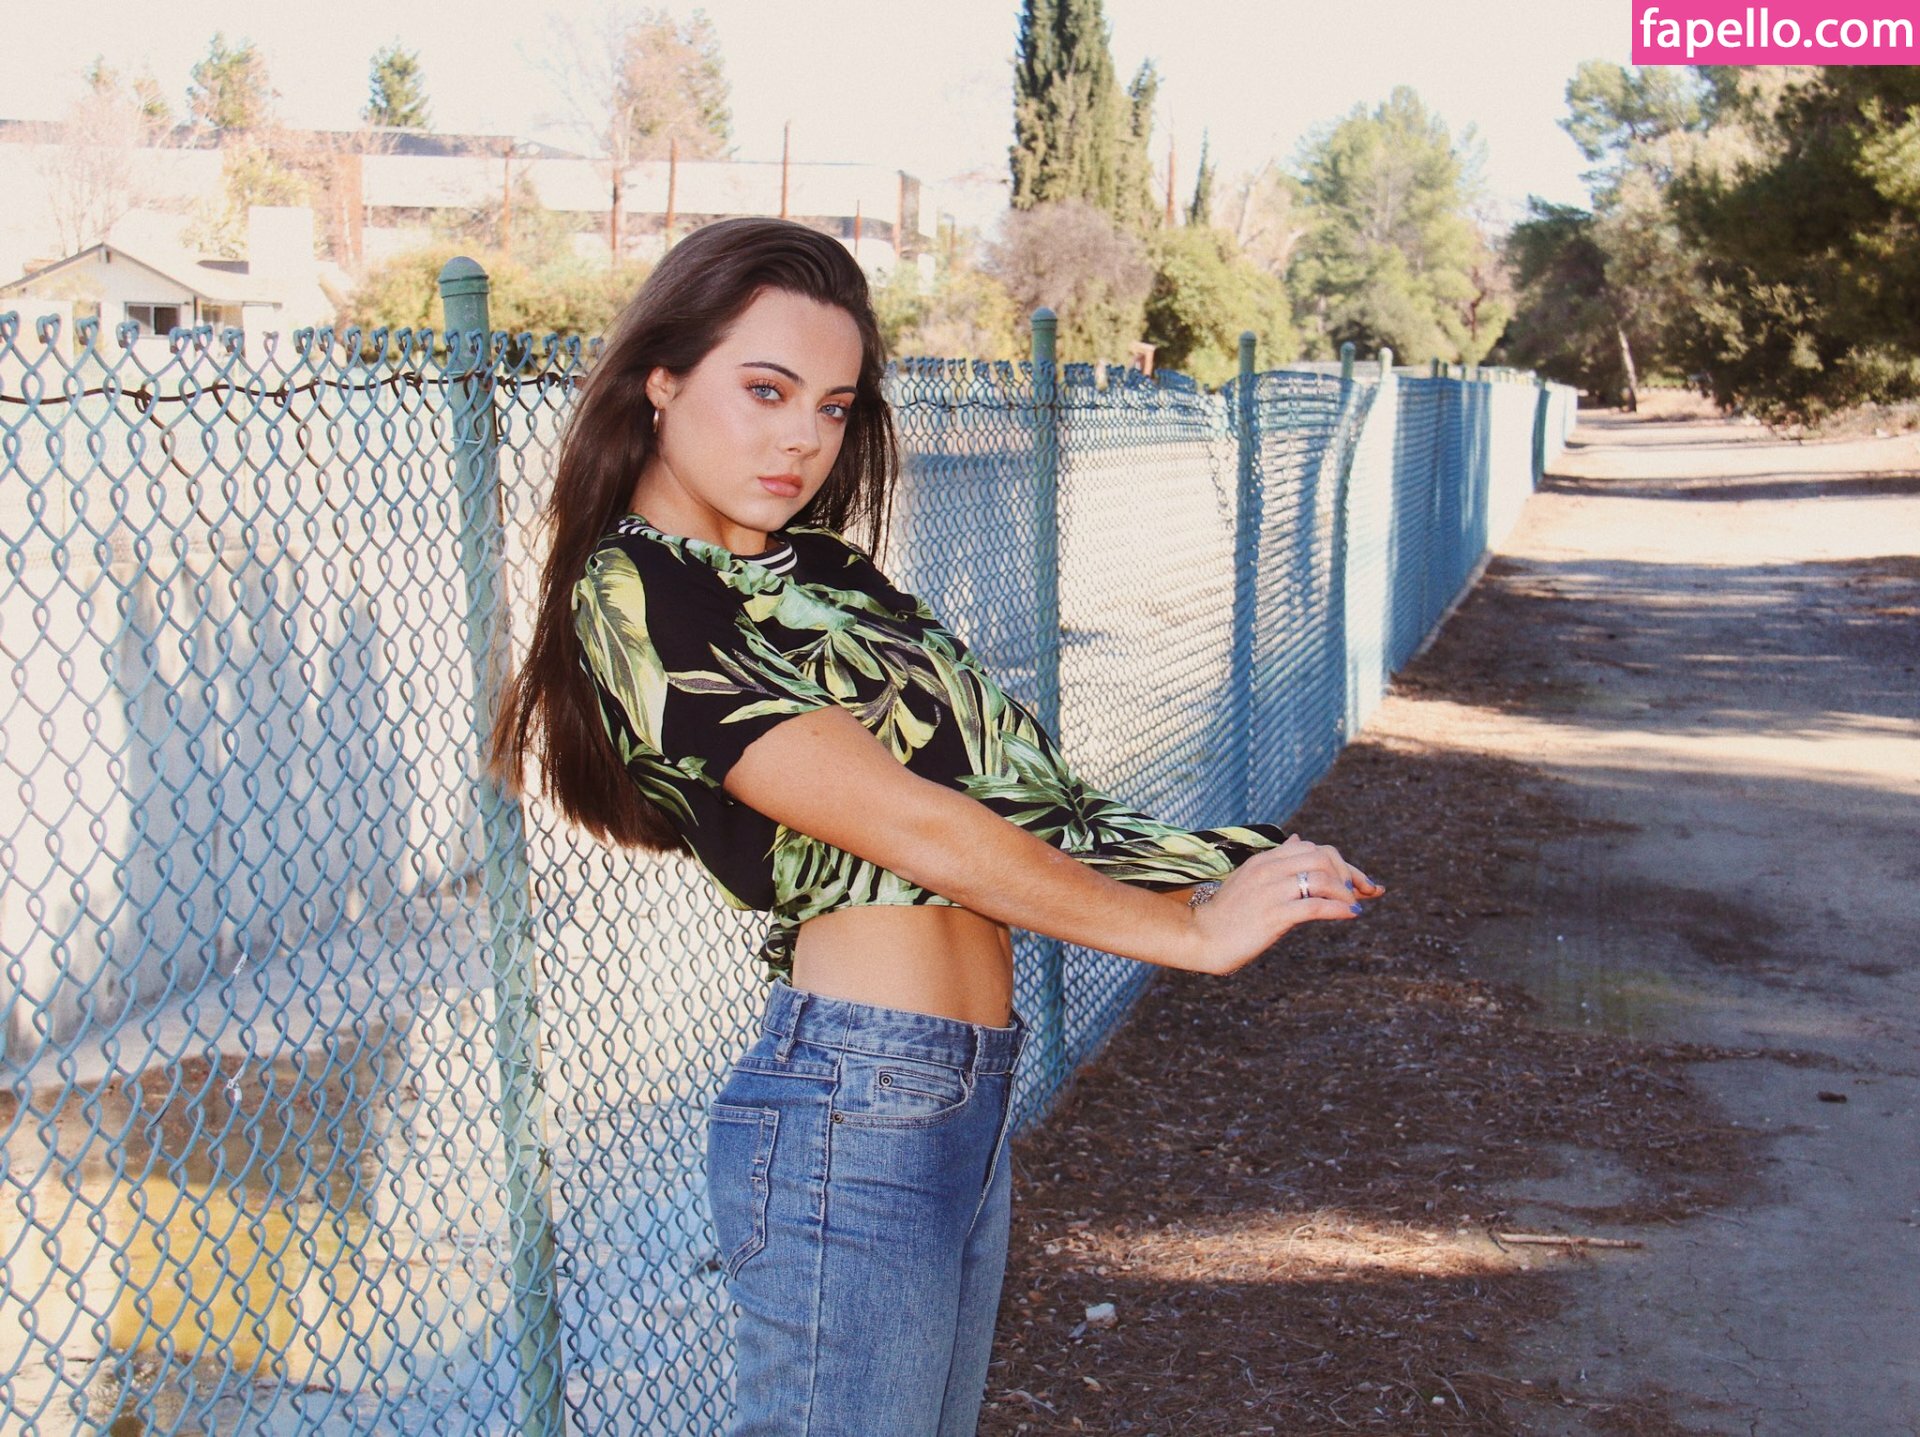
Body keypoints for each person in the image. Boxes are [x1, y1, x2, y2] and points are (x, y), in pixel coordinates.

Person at [489, 216, 1384, 1437]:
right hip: (854, 1098)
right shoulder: (639, 593)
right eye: (765, 390)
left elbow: (1023, 800)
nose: (802, 439)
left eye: (834, 407)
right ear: (662, 380)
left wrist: (1228, 864)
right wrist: (1183, 934)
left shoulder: (828, 575)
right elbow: (915, 828)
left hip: (959, 1088)